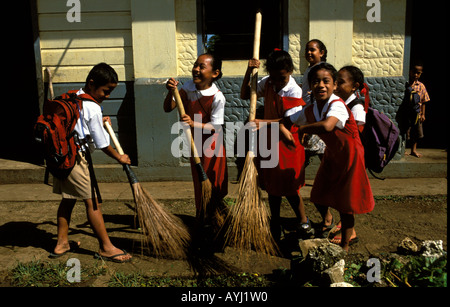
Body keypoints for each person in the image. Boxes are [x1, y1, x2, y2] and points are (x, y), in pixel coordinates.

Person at [286, 63, 375, 251]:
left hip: (350, 155)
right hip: (333, 154)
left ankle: (344, 246)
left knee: (346, 204)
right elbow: (288, 119)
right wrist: (263, 123)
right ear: (310, 86)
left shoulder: (338, 105)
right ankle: (328, 220)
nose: (321, 85)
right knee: (318, 195)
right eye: (316, 81)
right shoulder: (311, 109)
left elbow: (327, 126)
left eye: (326, 81)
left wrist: (303, 129)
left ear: (334, 86)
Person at [51, 63, 132, 263]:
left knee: (68, 199)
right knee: (93, 202)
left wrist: (96, 121)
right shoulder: (93, 107)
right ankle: (107, 247)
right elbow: (103, 143)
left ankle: (61, 243)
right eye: (106, 90)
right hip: (76, 159)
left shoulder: (74, 96)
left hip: (61, 158)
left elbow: (80, 123)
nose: (108, 95)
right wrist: (119, 157)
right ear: (92, 83)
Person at [241, 49, 313, 241]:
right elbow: (244, 94)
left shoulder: (293, 90)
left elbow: (289, 122)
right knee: (272, 187)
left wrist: (261, 122)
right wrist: (249, 72)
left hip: (288, 144)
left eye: (281, 77)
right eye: (273, 77)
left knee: (289, 187)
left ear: (289, 70)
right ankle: (275, 221)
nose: (277, 82)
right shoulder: (268, 82)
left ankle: (303, 221)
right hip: (269, 140)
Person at [164, 53, 228, 238]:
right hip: (195, 144)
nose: (196, 69)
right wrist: (171, 92)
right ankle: (203, 218)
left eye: (202, 67)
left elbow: (216, 127)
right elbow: (169, 107)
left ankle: (214, 220)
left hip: (212, 146)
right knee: (199, 185)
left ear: (215, 73)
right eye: (195, 65)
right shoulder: (187, 88)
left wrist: (193, 124)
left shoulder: (217, 97)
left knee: (212, 183)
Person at [330, 65, 370, 244]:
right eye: (335, 82)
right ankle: (342, 224)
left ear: (354, 86)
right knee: (340, 194)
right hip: (341, 155)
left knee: (349, 196)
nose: (336, 86)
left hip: (351, 158)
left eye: (341, 83)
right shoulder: (340, 103)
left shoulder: (357, 107)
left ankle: (350, 232)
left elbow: (355, 134)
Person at [301, 39, 328, 166]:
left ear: (321, 53)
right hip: (308, 110)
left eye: (312, 50)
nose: (309, 53)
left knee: (321, 148)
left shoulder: (321, 70)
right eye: (307, 50)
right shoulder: (310, 68)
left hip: (315, 113)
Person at [405, 62, 430, 158]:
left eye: (418, 73)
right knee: (405, 132)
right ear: (410, 72)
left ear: (421, 74)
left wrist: (423, 114)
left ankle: (413, 150)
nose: (415, 75)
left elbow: (424, 101)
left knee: (416, 133)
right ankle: (403, 150)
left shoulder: (421, 86)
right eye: (414, 72)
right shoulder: (406, 84)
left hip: (417, 114)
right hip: (406, 113)